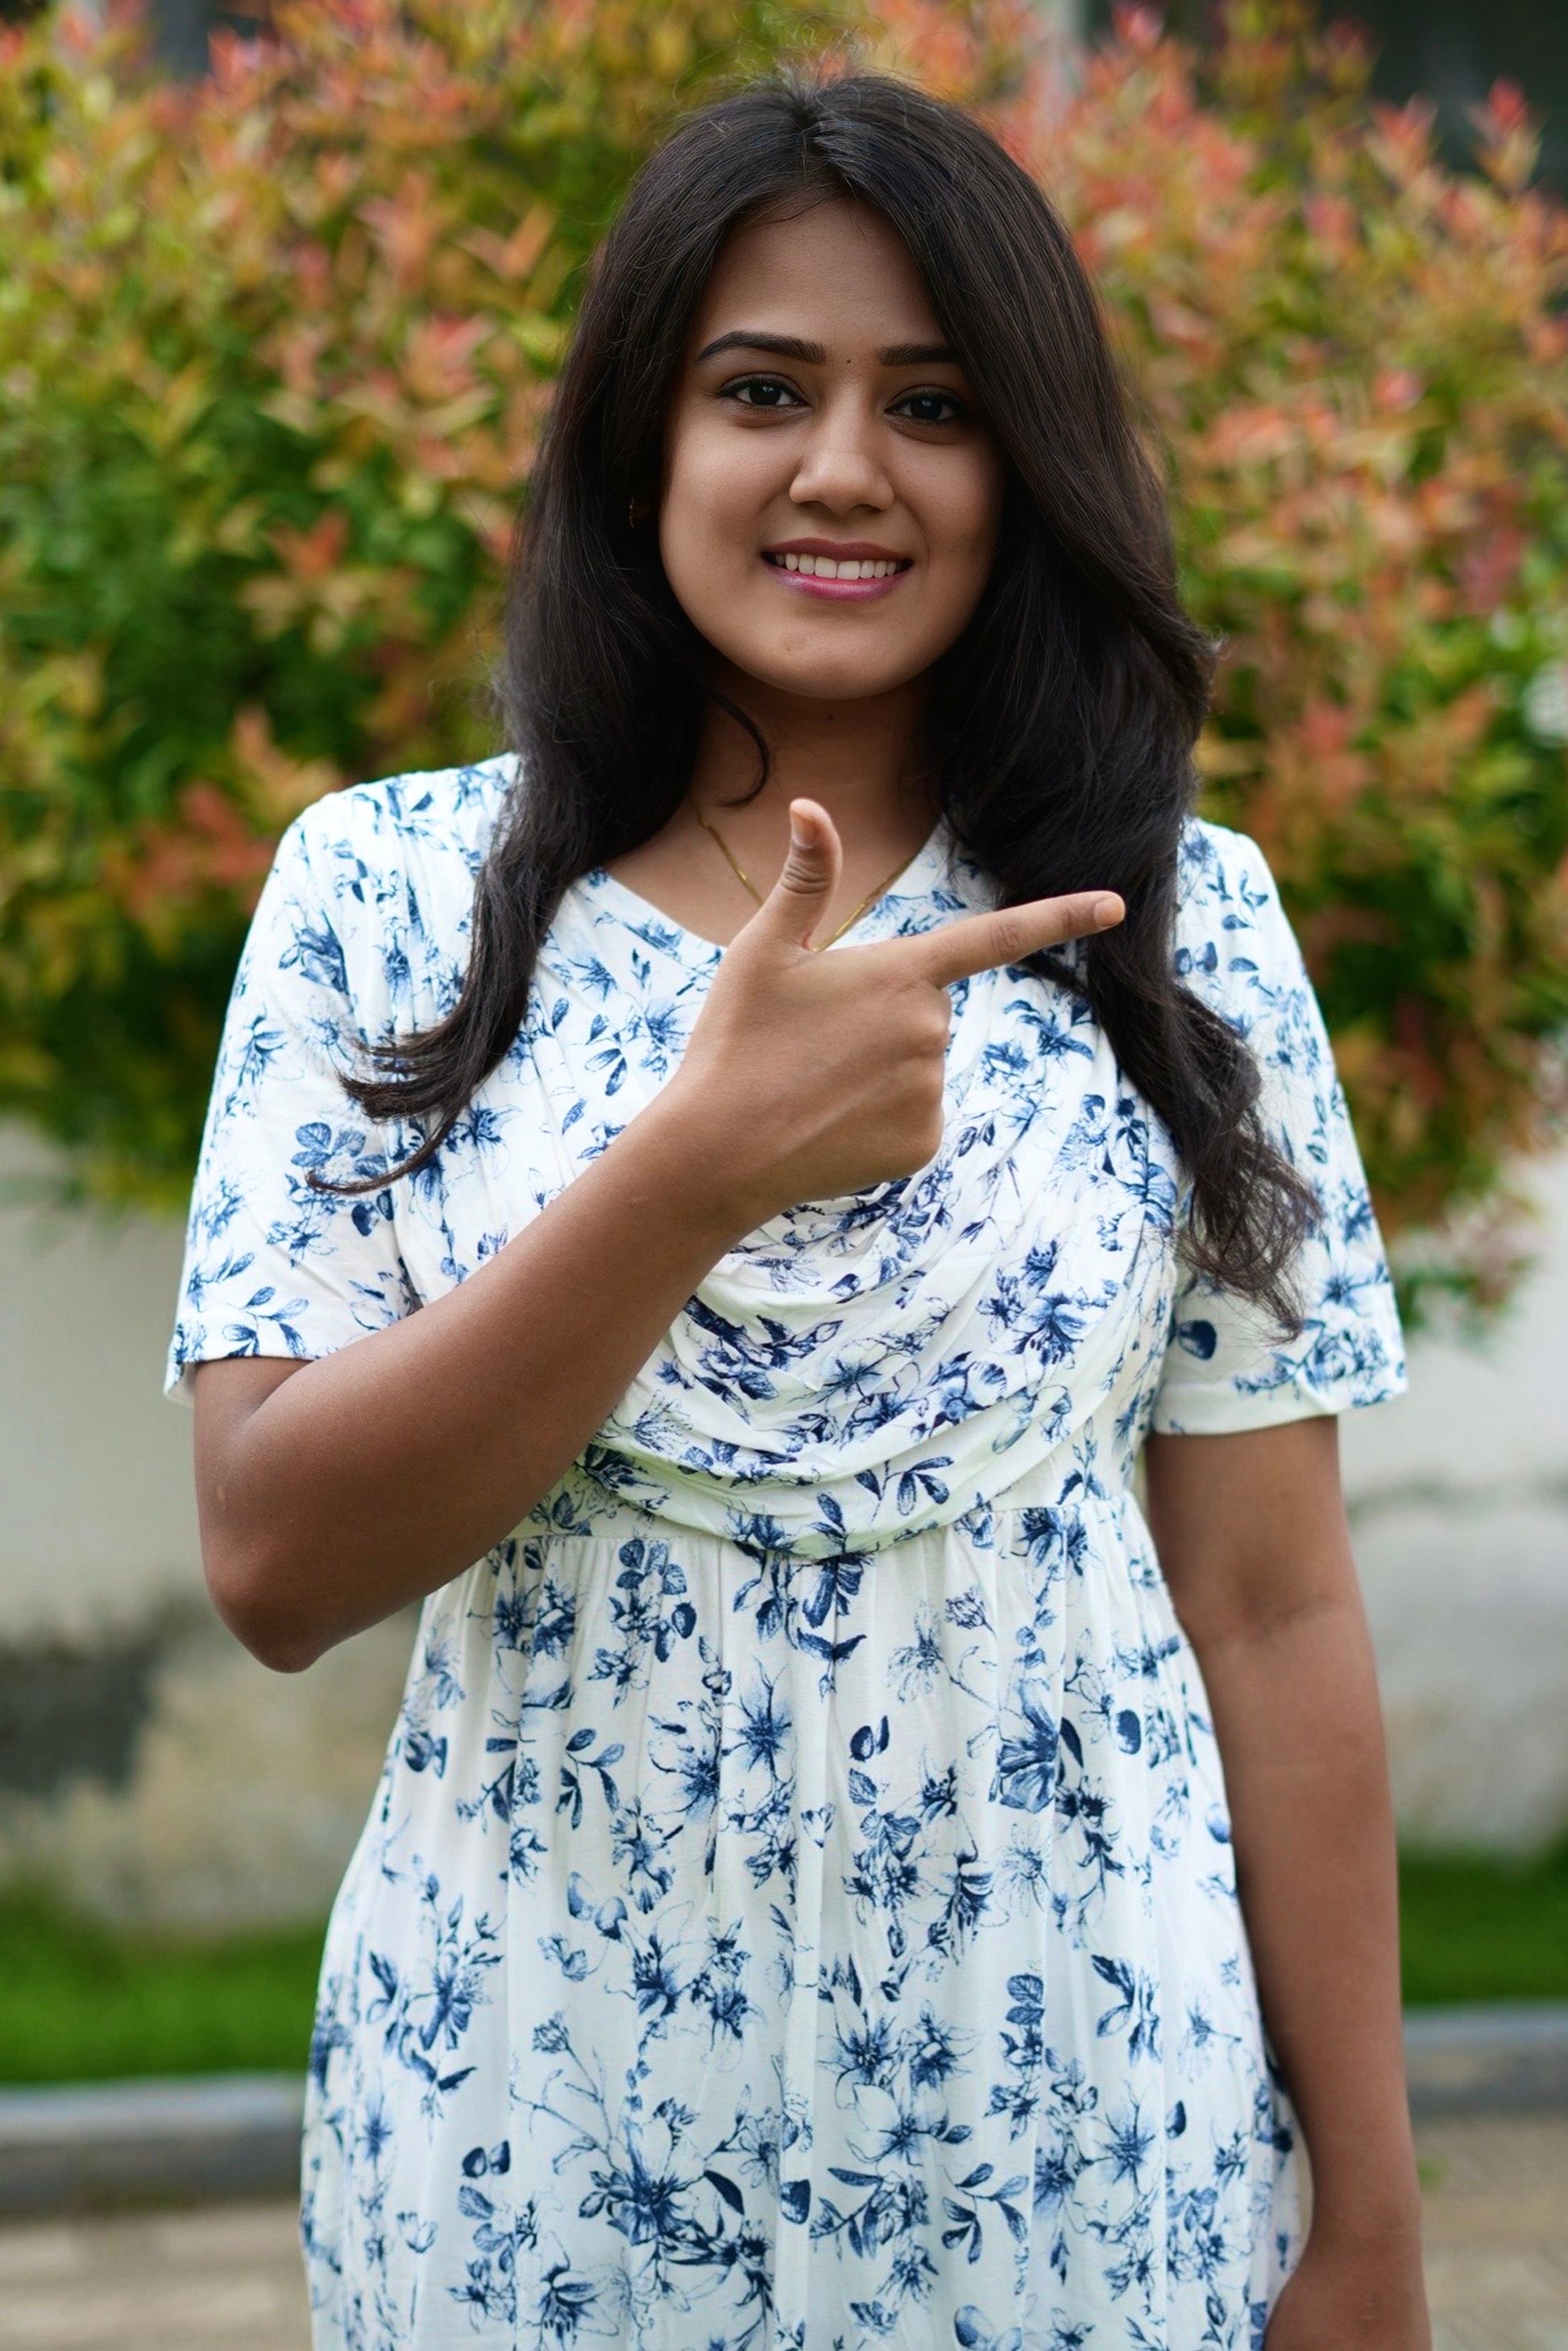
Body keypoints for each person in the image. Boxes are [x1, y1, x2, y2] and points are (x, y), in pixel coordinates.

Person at [168, 73, 1429, 2351]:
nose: (843, 468)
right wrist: (694, 1166)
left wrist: (1371, 2222)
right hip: (542, 2161)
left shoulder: (1182, 932)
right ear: (639, 440)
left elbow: (1270, 1608)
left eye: (931, 405)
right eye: (760, 390)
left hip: (1081, 2141)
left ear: (1022, 465)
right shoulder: (385, 898)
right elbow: (276, 1564)